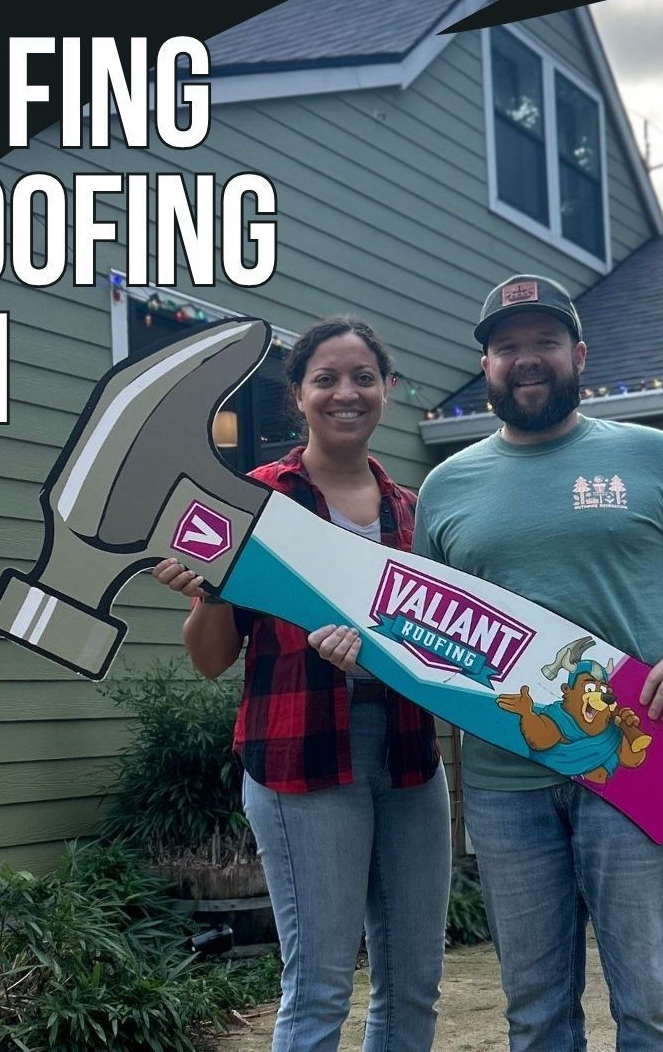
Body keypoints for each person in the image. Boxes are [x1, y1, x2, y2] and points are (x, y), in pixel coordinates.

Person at [316, 274, 663, 1051]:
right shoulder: (448, 487)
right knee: (535, 1017)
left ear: (578, 356)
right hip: (505, 785)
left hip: (634, 758)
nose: (525, 359)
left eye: (544, 342)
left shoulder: (651, 456)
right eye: (506, 347)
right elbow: (425, 634)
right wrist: (359, 655)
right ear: (487, 367)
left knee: (652, 1011)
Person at [152, 316, 451, 1052]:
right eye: (327, 379)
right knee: (319, 986)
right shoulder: (252, 503)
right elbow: (210, 659)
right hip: (301, 755)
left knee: (413, 984)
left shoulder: (415, 512)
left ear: (387, 389)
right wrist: (212, 594)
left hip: (410, 756)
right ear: (298, 394)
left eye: (363, 378)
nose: (347, 393)